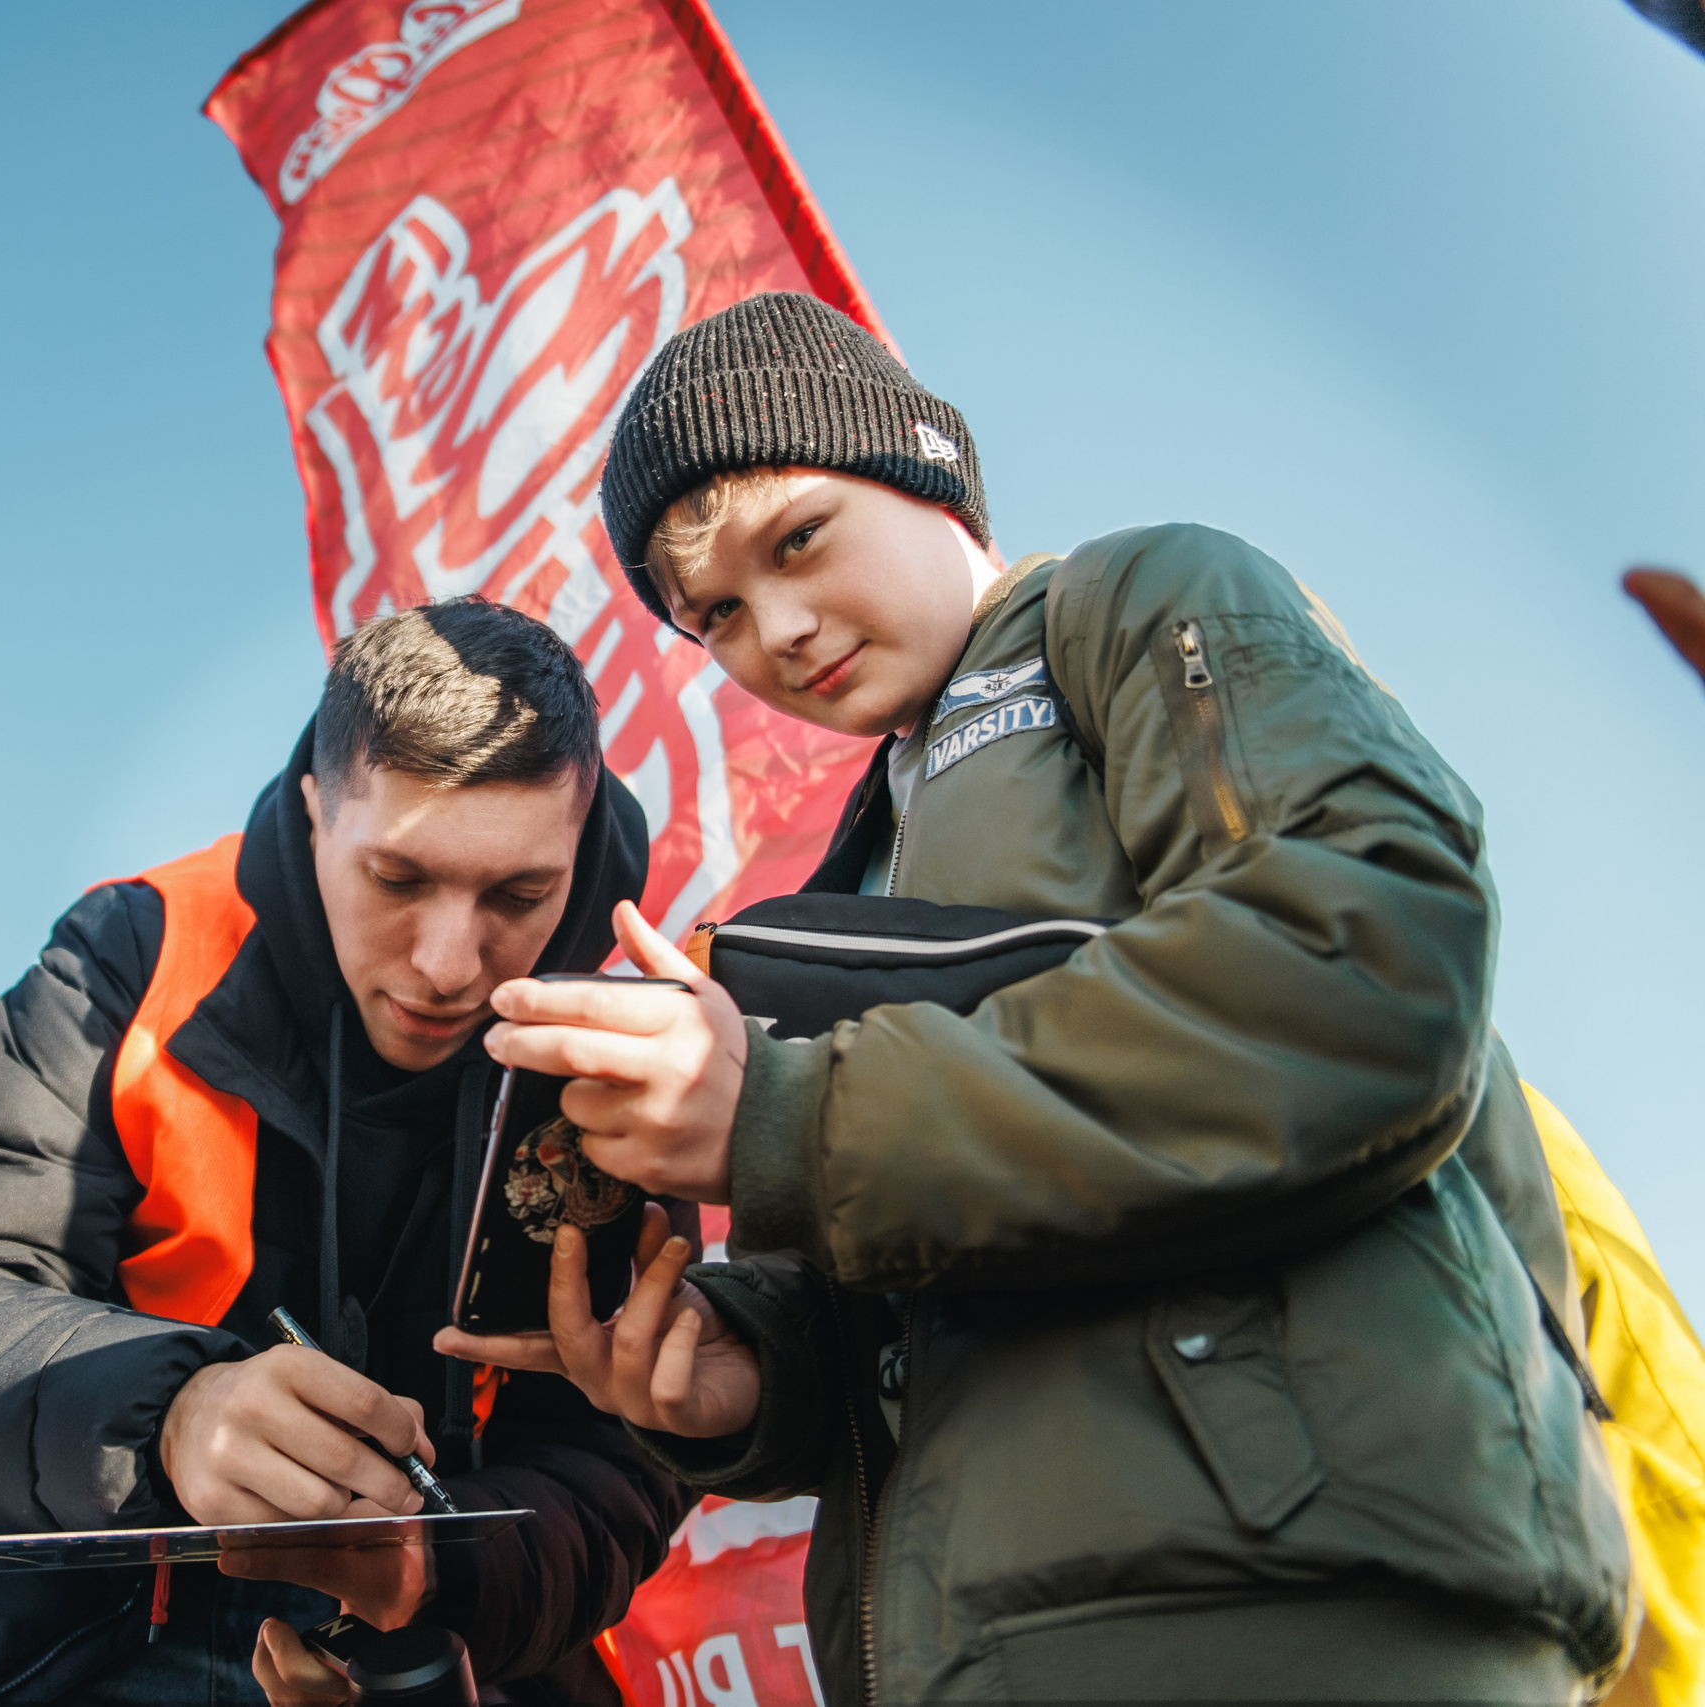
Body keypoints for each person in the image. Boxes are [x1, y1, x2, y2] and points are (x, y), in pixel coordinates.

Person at [441, 291, 1636, 1703]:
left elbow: (1366, 964)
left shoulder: (1142, 600)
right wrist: (743, 1375)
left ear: (923, 462)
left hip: (1314, 1603)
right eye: (717, 615)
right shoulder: (845, 872)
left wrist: (786, 1113)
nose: (779, 627)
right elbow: (938, 1284)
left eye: (801, 538)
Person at [0, 600, 687, 1706]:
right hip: (61, 1644)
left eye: (517, 895)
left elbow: (620, 1463)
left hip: (434, 1665)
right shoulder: (138, 950)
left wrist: (433, 1565)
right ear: (318, 810)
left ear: (578, 850)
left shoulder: (625, 1062)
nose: (446, 963)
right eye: (399, 879)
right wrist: (170, 1418)